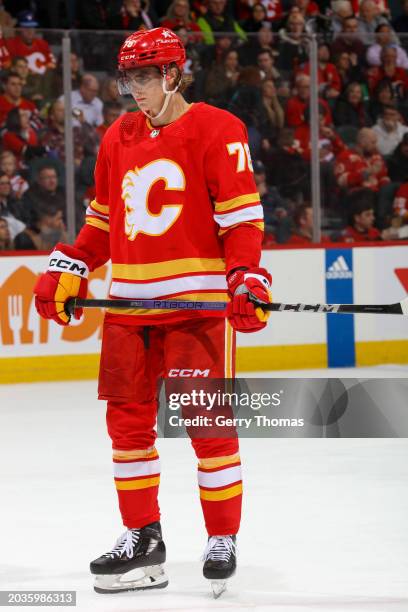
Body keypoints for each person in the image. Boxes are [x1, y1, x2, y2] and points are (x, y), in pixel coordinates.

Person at [33, 27, 271, 596]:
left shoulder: (219, 129)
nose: (135, 89)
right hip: (129, 310)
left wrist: (245, 275)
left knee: (206, 425)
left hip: (196, 310)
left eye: (145, 77)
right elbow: (102, 224)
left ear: (172, 75)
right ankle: (143, 535)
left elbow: (241, 220)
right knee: (127, 428)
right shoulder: (119, 135)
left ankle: (221, 536)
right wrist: (69, 267)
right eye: (130, 78)